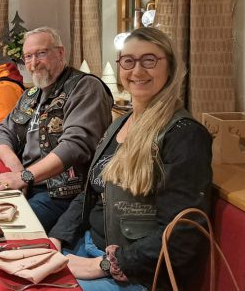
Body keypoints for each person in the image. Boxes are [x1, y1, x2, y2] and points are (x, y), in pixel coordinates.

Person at [48, 27, 212, 290]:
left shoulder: (184, 135)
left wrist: (106, 264)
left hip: (135, 272)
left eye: (149, 60)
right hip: (87, 246)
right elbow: (92, 192)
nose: (137, 71)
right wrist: (57, 237)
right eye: (128, 61)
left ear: (170, 67)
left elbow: (182, 232)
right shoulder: (120, 123)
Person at [0, 27, 113, 232]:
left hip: (63, 195)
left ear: (60, 53)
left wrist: (25, 177)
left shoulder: (85, 87)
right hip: (28, 183)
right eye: (28, 56)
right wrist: (17, 169)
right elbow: (2, 133)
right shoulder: (32, 94)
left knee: (3, 231)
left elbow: (75, 146)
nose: (34, 63)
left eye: (41, 53)